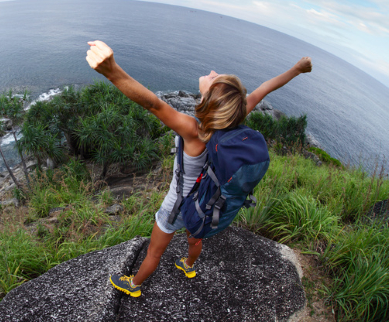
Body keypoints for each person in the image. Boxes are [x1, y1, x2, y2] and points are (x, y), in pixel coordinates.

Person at [85, 40, 312, 297]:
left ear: (208, 98)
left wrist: (112, 71)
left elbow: (153, 104)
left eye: (215, 78)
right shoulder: (233, 119)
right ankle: (188, 265)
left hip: (177, 204)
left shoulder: (194, 131)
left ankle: (134, 285)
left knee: (154, 251)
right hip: (204, 202)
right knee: (195, 237)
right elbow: (263, 90)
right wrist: (296, 69)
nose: (212, 72)